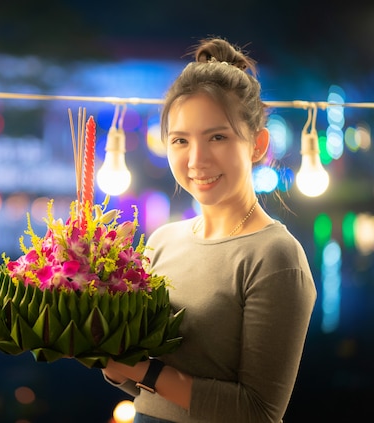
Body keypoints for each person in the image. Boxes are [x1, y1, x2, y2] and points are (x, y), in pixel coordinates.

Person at [102, 37, 317, 423]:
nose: (197, 159)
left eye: (218, 137)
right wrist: (103, 352)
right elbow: (146, 385)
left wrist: (141, 370)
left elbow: (259, 411)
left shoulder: (275, 256)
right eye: (180, 140)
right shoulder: (162, 241)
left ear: (257, 144)